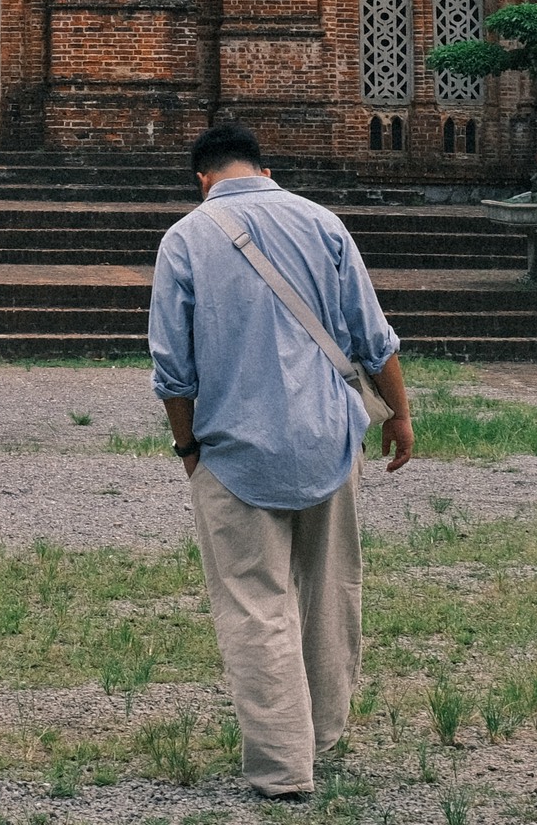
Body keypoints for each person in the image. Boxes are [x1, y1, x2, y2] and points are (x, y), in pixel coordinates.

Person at [148, 120, 414, 802]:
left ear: (202, 179)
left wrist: (188, 450)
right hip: (329, 434)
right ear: (262, 169)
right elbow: (372, 334)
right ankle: (323, 736)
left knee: (255, 604)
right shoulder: (323, 224)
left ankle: (281, 768)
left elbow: (173, 372)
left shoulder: (185, 238)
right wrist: (401, 414)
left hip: (235, 446)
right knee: (330, 593)